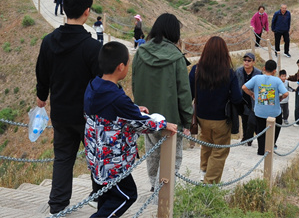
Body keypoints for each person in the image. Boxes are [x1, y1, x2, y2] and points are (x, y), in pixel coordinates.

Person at [84, 42, 176, 218]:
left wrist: (133, 109)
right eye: (128, 63)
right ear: (121, 67)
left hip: (96, 159)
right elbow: (142, 124)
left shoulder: (93, 87)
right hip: (112, 164)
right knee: (126, 195)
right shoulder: (116, 98)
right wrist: (163, 124)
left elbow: (115, 114)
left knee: (106, 198)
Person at [35, 0, 103, 214]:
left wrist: (41, 97)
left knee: (63, 158)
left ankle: (57, 205)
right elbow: (103, 82)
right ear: (87, 11)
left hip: (61, 113)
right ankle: (99, 196)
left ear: (64, 8)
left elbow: (42, 74)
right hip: (88, 115)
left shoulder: (49, 41)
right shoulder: (92, 48)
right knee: (95, 156)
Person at [131, 13, 193, 191]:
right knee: (173, 156)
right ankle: (164, 190)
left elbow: (135, 84)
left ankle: (153, 186)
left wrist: (140, 113)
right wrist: (187, 120)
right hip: (172, 119)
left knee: (152, 154)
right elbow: (184, 93)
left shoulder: (141, 52)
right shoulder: (176, 57)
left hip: (147, 117)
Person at [189, 37, 243, 183]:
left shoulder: (196, 70)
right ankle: (209, 183)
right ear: (224, 52)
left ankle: (203, 172)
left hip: (201, 117)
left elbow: (189, 94)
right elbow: (237, 98)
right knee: (219, 151)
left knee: (206, 144)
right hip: (221, 119)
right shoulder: (230, 73)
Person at [243, 59, 289, 156]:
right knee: (276, 127)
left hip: (260, 112)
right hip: (274, 113)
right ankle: (271, 146)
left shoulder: (256, 78)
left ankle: (261, 151)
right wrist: (280, 98)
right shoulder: (277, 80)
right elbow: (285, 93)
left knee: (260, 131)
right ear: (275, 71)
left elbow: (244, 87)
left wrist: (252, 94)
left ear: (264, 68)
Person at [234, 52, 260, 145]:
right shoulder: (238, 71)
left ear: (253, 62)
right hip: (242, 101)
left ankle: (253, 139)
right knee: (245, 120)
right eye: (245, 60)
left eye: (249, 60)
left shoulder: (258, 73)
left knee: (252, 121)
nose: (246, 62)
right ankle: (246, 140)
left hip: (253, 101)